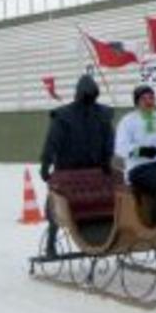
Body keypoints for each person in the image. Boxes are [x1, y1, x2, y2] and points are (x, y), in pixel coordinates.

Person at [39, 74, 115, 256]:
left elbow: (52, 143)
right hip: (79, 170)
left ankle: (53, 242)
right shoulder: (68, 116)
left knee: (57, 206)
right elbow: (53, 142)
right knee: (59, 205)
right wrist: (46, 162)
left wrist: (45, 163)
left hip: (77, 171)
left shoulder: (65, 115)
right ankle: (51, 242)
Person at [115, 85, 156, 226]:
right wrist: (142, 151)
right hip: (139, 168)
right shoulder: (127, 121)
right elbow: (120, 148)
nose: (148, 101)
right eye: (144, 98)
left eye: (151, 98)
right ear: (137, 102)